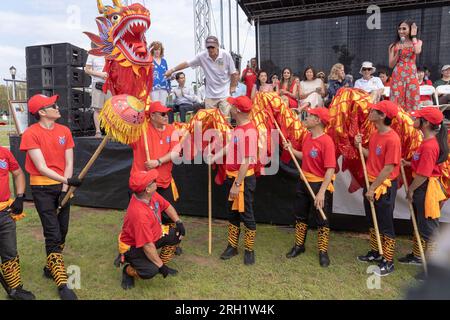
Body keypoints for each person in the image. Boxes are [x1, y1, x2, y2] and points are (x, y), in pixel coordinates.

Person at [19, 94, 83, 299]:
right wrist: (66, 181)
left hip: (63, 187)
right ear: (42, 112)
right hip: (42, 189)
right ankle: (63, 284)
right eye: (52, 105)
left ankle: (50, 267)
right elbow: (41, 167)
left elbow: (68, 162)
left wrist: (65, 187)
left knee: (62, 231)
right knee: (53, 233)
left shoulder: (64, 131)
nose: (58, 107)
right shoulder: (30, 134)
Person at [283, 108, 336, 267]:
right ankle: (299, 246)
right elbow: (304, 156)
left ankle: (323, 251)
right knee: (300, 216)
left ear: (318, 120)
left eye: (311, 115)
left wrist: (321, 193)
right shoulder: (307, 137)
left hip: (319, 185)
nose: (308, 117)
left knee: (322, 219)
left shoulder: (327, 141)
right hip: (303, 182)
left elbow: (330, 169)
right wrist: (291, 149)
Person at [130, 101, 183, 257]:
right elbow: (125, 133)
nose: (166, 116)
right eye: (162, 114)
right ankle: (129, 249)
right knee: (140, 220)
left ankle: (173, 242)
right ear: (152, 115)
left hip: (164, 181)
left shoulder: (171, 130)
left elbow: (176, 152)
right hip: (144, 184)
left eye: (167, 113)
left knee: (168, 215)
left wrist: (158, 162)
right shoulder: (140, 130)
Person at [118, 170, 185, 290]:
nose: (156, 182)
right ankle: (128, 270)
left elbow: (167, 206)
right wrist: (159, 266)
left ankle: (161, 264)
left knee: (177, 234)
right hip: (134, 246)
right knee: (150, 271)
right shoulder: (139, 214)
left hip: (152, 236)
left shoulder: (151, 195)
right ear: (147, 189)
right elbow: (147, 245)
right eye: (153, 181)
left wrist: (178, 222)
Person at [355, 100, 401, 276]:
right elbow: (372, 156)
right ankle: (375, 252)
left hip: (383, 186)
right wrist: (359, 145)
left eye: (375, 110)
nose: (370, 112)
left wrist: (373, 188)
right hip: (371, 183)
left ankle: (388, 261)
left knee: (385, 223)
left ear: (383, 116)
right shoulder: (375, 134)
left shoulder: (393, 139)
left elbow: (388, 168)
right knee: (372, 221)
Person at [212, 96, 258, 265]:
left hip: (243, 180)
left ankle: (249, 250)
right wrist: (214, 156)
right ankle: (232, 246)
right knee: (232, 214)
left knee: (247, 215)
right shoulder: (239, 128)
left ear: (237, 110)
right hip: (233, 177)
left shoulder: (250, 131)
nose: (229, 107)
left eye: (232, 105)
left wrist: (237, 184)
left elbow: (247, 161)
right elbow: (230, 146)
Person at [399, 107, 448, 266]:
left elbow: (424, 174)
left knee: (429, 228)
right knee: (420, 223)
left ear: (426, 123)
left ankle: (433, 267)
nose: (414, 120)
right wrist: (408, 163)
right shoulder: (426, 142)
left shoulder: (430, 146)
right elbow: (421, 165)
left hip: (426, 189)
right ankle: (417, 256)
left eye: (417, 118)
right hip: (423, 186)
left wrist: (411, 189)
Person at [164, 36, 238, 121]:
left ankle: (225, 134)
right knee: (210, 120)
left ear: (217, 46)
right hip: (210, 95)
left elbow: (234, 73)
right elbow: (187, 64)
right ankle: (212, 134)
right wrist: (172, 70)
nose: (210, 49)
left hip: (224, 94)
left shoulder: (225, 55)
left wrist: (233, 86)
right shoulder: (202, 56)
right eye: (208, 47)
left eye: (212, 47)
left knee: (224, 120)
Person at [0, 146, 35, 300]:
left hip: (5, 213)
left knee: (10, 252)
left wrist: (20, 197)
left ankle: (15, 288)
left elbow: (18, 173)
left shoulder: (4, 152)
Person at [389, 20, 422, 112]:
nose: (401, 31)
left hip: (411, 75)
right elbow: (391, 65)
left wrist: (414, 36)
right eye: (399, 29)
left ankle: (411, 124)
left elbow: (417, 51)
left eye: (404, 29)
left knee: (412, 100)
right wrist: (398, 52)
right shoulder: (393, 45)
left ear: (410, 30)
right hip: (398, 75)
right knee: (396, 100)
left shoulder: (417, 42)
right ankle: (397, 123)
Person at [84, 48, 111, 138]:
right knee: (97, 109)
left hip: (110, 84)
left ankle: (110, 131)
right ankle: (98, 131)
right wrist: (100, 74)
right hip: (97, 84)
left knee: (110, 110)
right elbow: (87, 69)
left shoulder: (110, 53)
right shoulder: (92, 54)